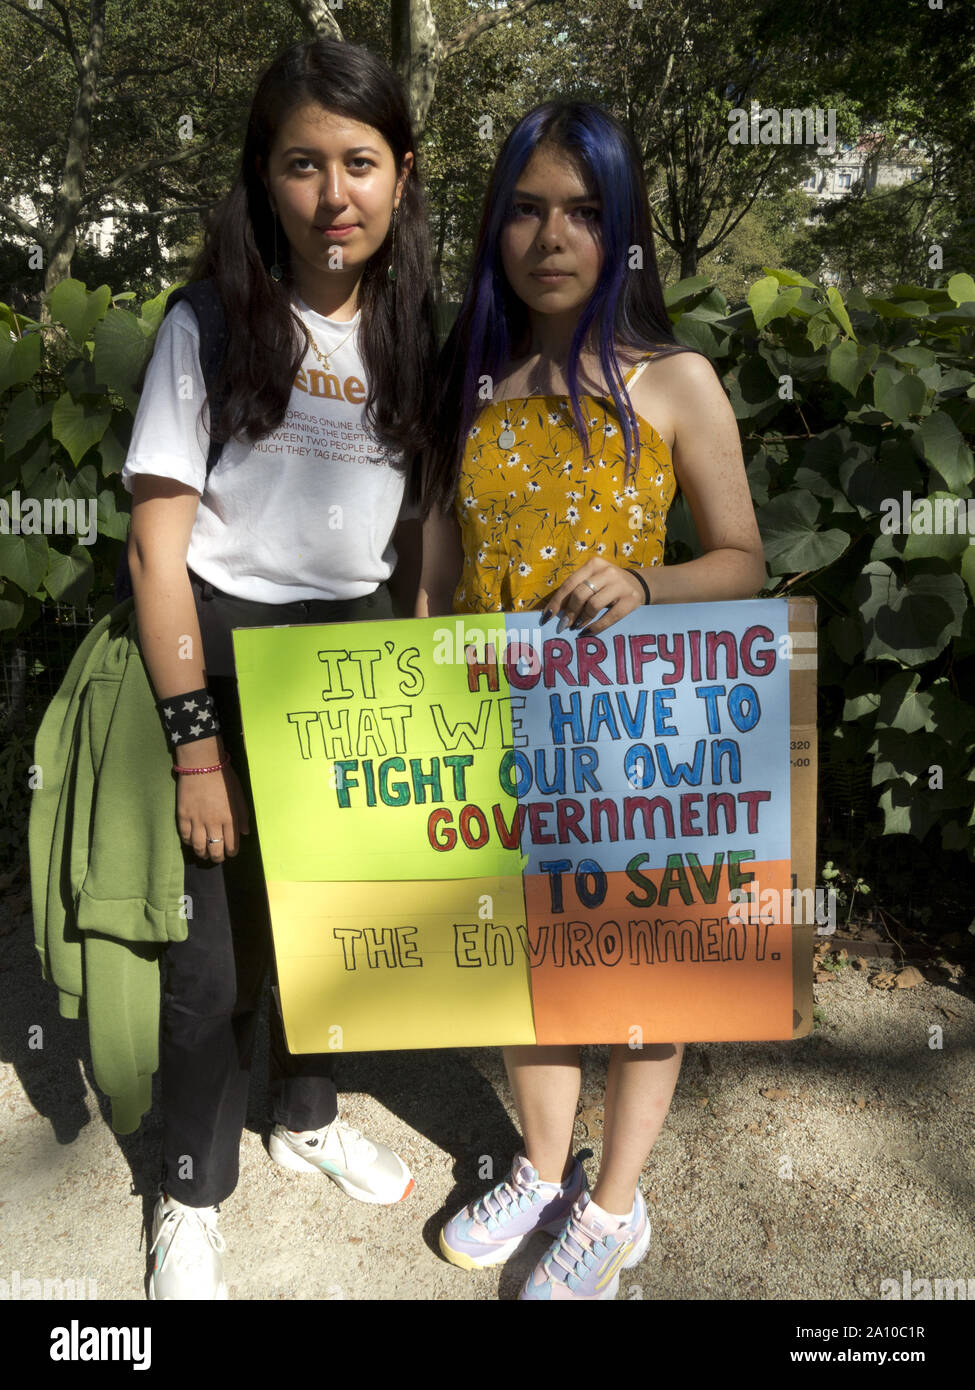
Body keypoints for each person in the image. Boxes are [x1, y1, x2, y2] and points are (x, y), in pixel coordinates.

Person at [417, 100, 765, 1300]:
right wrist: (420, 672)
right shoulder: (473, 382)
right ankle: (540, 1163)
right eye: (525, 207)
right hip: (495, 729)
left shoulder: (676, 381)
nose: (551, 235)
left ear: (623, 233)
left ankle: (612, 1208)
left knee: (641, 967)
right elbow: (437, 562)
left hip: (636, 735)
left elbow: (743, 564)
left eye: (582, 210)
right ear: (495, 225)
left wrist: (646, 579)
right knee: (529, 963)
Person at [122, 37, 436, 1300]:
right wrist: (196, 746)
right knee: (209, 963)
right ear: (265, 178)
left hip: (358, 653)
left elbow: (426, 534)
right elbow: (155, 554)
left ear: (401, 176)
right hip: (224, 647)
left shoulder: (424, 328)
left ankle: (305, 1115)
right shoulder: (206, 324)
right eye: (302, 164)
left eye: (359, 162)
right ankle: (190, 1193)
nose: (333, 193)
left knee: (333, 931)